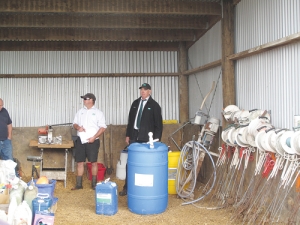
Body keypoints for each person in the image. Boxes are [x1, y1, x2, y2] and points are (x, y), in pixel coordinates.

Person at [119, 83, 163, 196]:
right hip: (134, 136)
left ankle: (144, 188)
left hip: (147, 138)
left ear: (150, 91)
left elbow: (159, 125)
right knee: (131, 162)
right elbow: (130, 121)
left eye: (145, 89)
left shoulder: (154, 105)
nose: (143, 91)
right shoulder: (135, 103)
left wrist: (156, 140)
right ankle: (127, 187)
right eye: (141, 89)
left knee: (145, 163)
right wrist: (128, 134)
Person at [72, 93, 107, 190]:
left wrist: (94, 137)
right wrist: (78, 127)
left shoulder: (98, 113)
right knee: (80, 162)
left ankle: (94, 183)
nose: (84, 100)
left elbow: (103, 127)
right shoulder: (80, 112)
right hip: (81, 140)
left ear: (91, 100)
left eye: (85, 99)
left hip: (93, 140)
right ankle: (79, 184)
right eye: (83, 99)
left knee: (93, 162)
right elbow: (74, 123)